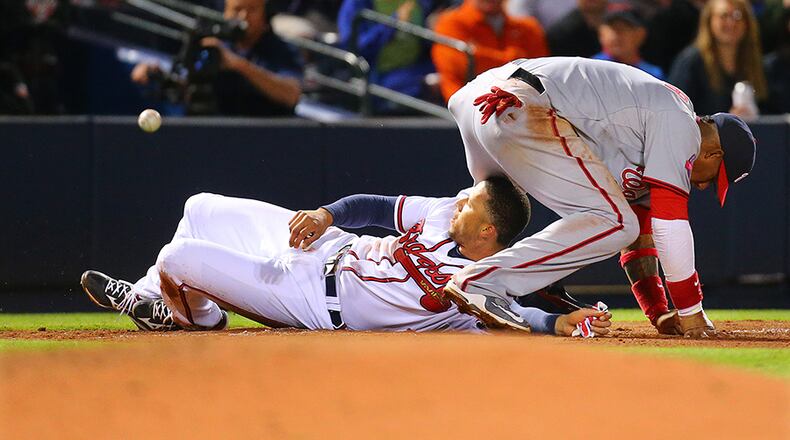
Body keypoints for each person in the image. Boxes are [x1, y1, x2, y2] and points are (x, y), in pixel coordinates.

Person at [442, 56, 756, 339]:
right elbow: (669, 225)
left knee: (499, 211)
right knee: (616, 221)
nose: (703, 187)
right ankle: (483, 283)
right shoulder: (681, 122)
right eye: (714, 178)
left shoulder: (651, 137)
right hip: (520, 102)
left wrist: (658, 311)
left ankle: (436, 274)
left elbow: (641, 241)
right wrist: (691, 313)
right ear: (714, 152)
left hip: (482, 100)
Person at [79, 177, 612, 336]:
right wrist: (326, 215)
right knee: (199, 206)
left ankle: (198, 316)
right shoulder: (439, 214)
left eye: (471, 201)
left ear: (489, 229)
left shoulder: (480, 276)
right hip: (324, 248)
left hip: (308, 300)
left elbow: (509, 313)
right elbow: (374, 205)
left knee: (178, 256)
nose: (461, 199)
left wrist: (560, 322)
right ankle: (152, 301)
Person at [131, 0, 302, 116]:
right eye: (236, 9)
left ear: (265, 13)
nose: (243, 17)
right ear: (225, 13)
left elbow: (291, 96)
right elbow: (186, 88)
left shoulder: (280, 48)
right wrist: (156, 74)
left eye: (251, 10)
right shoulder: (212, 45)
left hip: (268, 138)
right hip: (214, 133)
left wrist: (237, 64)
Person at [431, 0, 549, 102]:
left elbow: (541, 73)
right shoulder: (450, 23)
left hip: (522, 106)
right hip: (469, 108)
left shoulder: (528, 27)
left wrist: (477, 54)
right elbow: (461, 68)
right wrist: (515, 58)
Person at [667, 0, 768, 117]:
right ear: (709, 21)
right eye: (724, 16)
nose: (731, 23)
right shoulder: (691, 62)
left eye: (738, 16)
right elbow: (676, 111)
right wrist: (723, 122)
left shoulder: (755, 62)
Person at [337, 0, 438, 113]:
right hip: (378, 79)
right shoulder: (357, 3)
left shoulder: (420, 3)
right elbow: (353, 47)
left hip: (418, 70)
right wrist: (391, 24)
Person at [592, 7, 664, 80]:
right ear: (601, 34)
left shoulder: (652, 75)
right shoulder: (590, 68)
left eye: (622, 28)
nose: (615, 35)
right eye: (612, 28)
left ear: (640, 35)